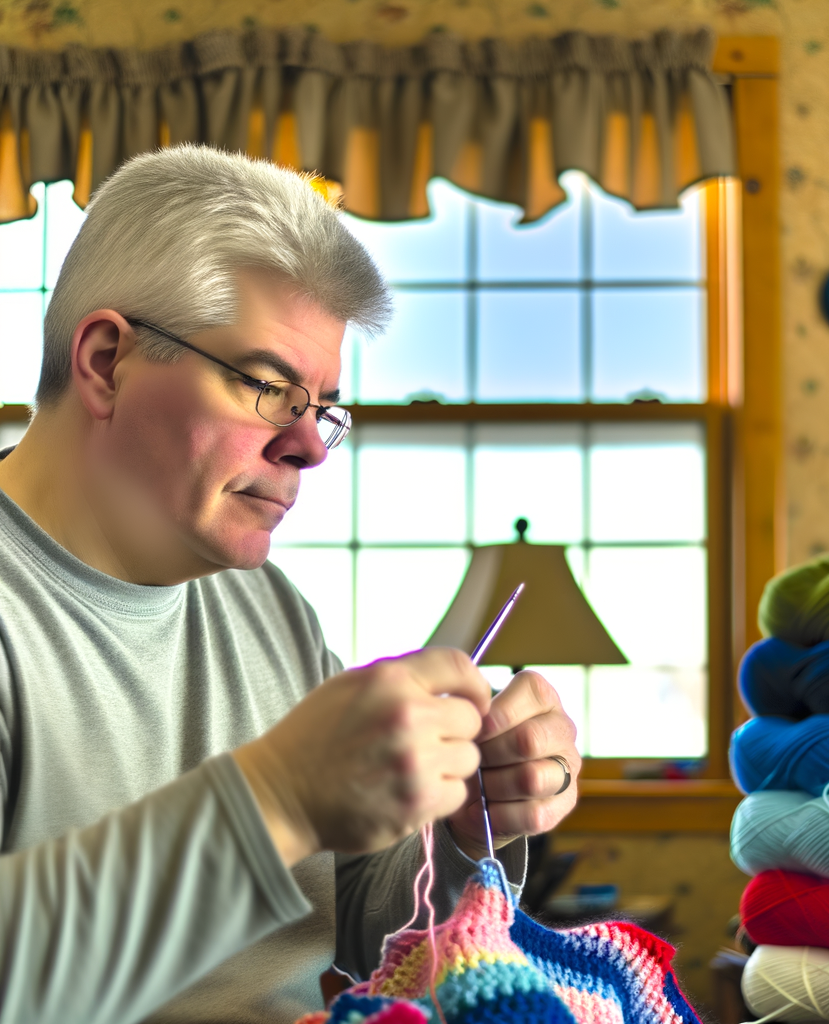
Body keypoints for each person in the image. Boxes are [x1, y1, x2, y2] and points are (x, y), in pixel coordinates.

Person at [0, 145, 581, 1024]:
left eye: (325, 409)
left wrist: (462, 828)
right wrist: (275, 797)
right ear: (108, 361)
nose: (309, 446)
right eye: (270, 386)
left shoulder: (271, 613)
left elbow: (354, 931)